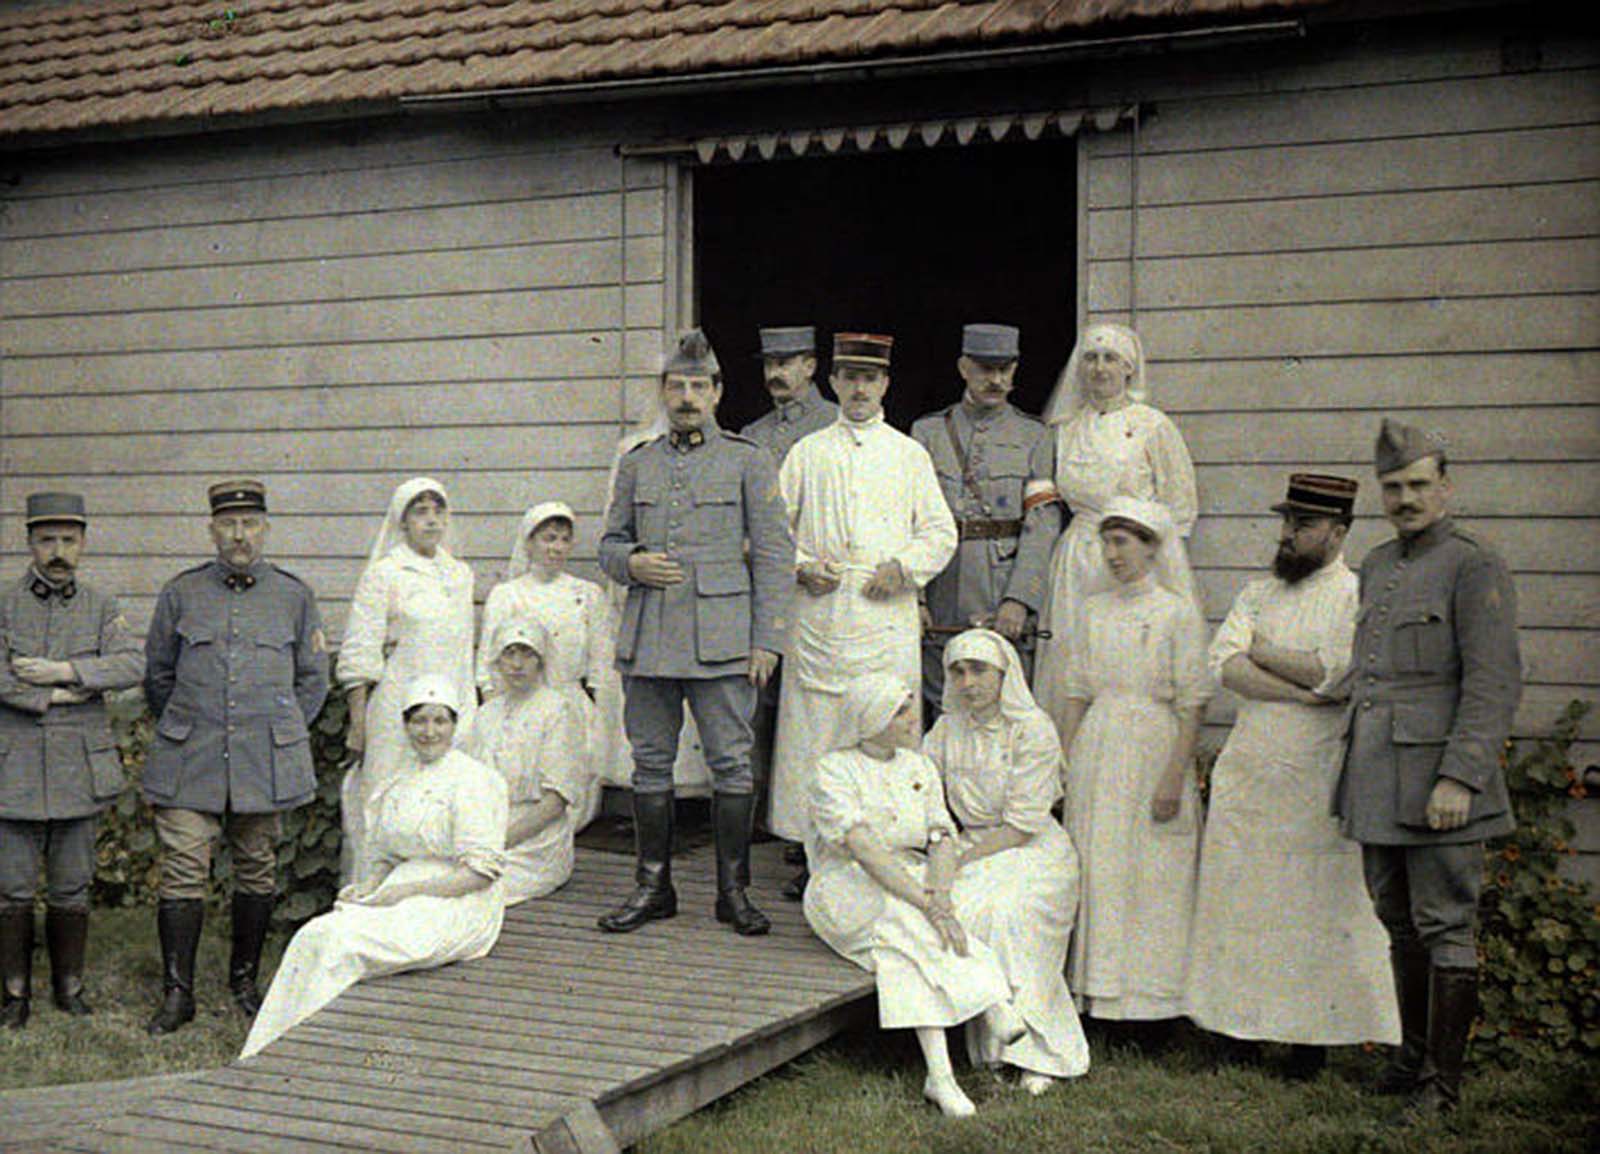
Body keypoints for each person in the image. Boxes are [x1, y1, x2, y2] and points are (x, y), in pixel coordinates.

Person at [1334, 419, 1521, 1115]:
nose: (1405, 498)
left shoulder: (1474, 564)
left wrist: (1460, 777)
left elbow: (1494, 681)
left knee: (1446, 923)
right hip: (1377, 774)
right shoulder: (1379, 564)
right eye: (1393, 487)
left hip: (1438, 777)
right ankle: (1413, 1061)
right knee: (1397, 920)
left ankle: (1442, 1087)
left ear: (1445, 487)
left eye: (1418, 484)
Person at [1185, 474, 1399, 1076]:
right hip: (1252, 766)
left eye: (1303, 525)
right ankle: (1237, 1032)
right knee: (1243, 900)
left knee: (1308, 907)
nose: (1289, 534)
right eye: (1286, 522)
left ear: (1339, 530)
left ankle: (1308, 1043)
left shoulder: (1355, 597)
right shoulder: (1258, 592)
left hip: (1315, 775)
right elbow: (1225, 666)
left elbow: (1337, 672)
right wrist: (1300, 688)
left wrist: (1267, 656)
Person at [596, 329, 794, 937]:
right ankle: (653, 886)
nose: (687, 396)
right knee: (649, 765)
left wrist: (767, 641)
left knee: (732, 767)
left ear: (717, 393)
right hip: (650, 640)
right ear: (663, 391)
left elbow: (774, 555)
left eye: (698, 386)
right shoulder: (637, 464)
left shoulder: (746, 459)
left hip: (725, 640)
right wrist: (630, 564)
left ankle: (732, 893)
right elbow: (607, 545)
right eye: (677, 385)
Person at [771, 332, 957, 899]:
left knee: (884, 726)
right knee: (819, 732)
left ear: (885, 385)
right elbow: (775, 532)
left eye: (869, 378)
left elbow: (941, 532)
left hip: (884, 612)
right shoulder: (808, 452)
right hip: (824, 608)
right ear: (832, 382)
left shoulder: (908, 454)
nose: (859, 388)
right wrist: (803, 565)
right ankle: (814, 849)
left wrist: (903, 568)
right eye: (849, 377)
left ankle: (892, 845)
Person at [142, 480, 330, 1034]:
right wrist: (191, 725)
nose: (239, 535)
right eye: (228, 524)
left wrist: (277, 730)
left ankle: (245, 982)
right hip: (191, 754)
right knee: (182, 869)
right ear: (212, 530)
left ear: (265, 528)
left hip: (261, 757)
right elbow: (158, 676)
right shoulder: (181, 593)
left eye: (250, 524)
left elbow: (312, 681)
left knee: (257, 865)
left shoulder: (294, 596)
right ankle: (179, 994)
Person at [240, 675, 506, 1058]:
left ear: (454, 724)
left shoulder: (473, 780)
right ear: (405, 724)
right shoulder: (400, 779)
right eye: (419, 721)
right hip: (403, 889)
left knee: (339, 944)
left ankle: (292, 1052)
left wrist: (404, 892)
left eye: (439, 721)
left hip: (458, 902)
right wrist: (371, 886)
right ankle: (269, 1049)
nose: (429, 732)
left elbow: (479, 873)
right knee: (314, 935)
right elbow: (388, 855)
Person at [804, 673, 1027, 1117]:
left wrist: (940, 894)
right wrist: (929, 906)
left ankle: (940, 1077)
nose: (912, 717)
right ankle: (991, 1000)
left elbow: (942, 836)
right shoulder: (832, 770)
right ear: (872, 719)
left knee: (902, 956)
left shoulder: (918, 765)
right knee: (906, 918)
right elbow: (865, 851)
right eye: (900, 710)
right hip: (845, 885)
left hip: (910, 877)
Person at [1055, 496, 1210, 1031]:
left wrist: (1172, 777)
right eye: (1106, 542)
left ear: (1151, 548)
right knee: (1099, 865)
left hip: (1153, 747)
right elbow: (1076, 692)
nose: (1111, 554)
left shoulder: (1175, 612)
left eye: (1122, 542)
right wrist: (1066, 764)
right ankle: (1098, 998)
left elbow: (1192, 702)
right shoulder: (1093, 610)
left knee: (1151, 873)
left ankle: (1152, 1007)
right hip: (1100, 745)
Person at [923, 628, 1090, 1092]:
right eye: (957, 671)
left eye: (979, 670)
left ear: (1004, 674)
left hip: (1032, 850)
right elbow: (922, 792)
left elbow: (1021, 825)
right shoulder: (945, 730)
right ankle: (993, 1047)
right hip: (970, 847)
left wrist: (960, 860)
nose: (967, 681)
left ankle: (1040, 1051)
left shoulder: (1032, 729)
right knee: (956, 910)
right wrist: (942, 846)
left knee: (1008, 912)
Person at [0, 493, 143, 1027]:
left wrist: (63, 675)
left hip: (79, 767)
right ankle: (15, 995)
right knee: (11, 886)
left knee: (71, 882)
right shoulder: (5, 603)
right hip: (12, 766)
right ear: (29, 543)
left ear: (83, 543)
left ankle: (69, 987)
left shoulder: (102, 606)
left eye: (68, 540)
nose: (57, 551)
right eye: (46, 540)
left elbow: (131, 664)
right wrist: (55, 696)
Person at [1032, 323, 1198, 727]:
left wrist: (1154, 563)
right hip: (1078, 557)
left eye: (1110, 359)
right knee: (1071, 660)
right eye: (1090, 358)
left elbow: (1180, 505)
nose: (1099, 368)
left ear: (1129, 368)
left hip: (1135, 560)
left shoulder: (1152, 425)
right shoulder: (1066, 429)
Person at [911, 324, 1062, 714]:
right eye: (984, 369)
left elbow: (1042, 524)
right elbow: (908, 518)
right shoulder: (927, 433)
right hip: (942, 585)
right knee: (940, 700)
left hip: (1000, 587)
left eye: (1005, 370)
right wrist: (917, 597)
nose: (996, 380)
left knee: (1002, 701)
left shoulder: (1034, 436)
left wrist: (1019, 599)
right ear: (964, 368)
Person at [339, 477, 476, 884]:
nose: (432, 521)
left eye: (438, 511)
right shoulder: (386, 574)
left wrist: (469, 709)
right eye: (421, 512)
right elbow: (361, 651)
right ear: (402, 521)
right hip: (397, 710)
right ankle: (371, 894)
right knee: (385, 805)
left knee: (443, 806)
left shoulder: (459, 574)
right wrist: (359, 723)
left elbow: (463, 647)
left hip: (452, 704)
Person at [739, 324, 838, 844]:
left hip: (820, 585)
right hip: (763, 584)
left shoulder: (836, 425)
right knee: (759, 695)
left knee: (816, 706)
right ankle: (759, 810)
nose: (776, 373)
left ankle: (816, 819)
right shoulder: (752, 436)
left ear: (811, 366)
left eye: (788, 361)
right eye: (769, 363)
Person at [478, 500, 615, 826]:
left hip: (569, 702)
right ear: (529, 542)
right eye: (548, 538)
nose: (557, 548)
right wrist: (496, 712)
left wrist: (594, 705)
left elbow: (600, 656)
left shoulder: (588, 594)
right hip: (520, 702)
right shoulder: (508, 594)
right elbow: (488, 657)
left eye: (564, 539)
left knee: (571, 794)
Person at [464, 619, 584, 904]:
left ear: (541, 661)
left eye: (527, 654)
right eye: (509, 653)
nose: (517, 664)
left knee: (466, 891)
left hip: (535, 844)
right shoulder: (486, 714)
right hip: (488, 830)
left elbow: (554, 803)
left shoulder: (557, 710)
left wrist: (494, 843)